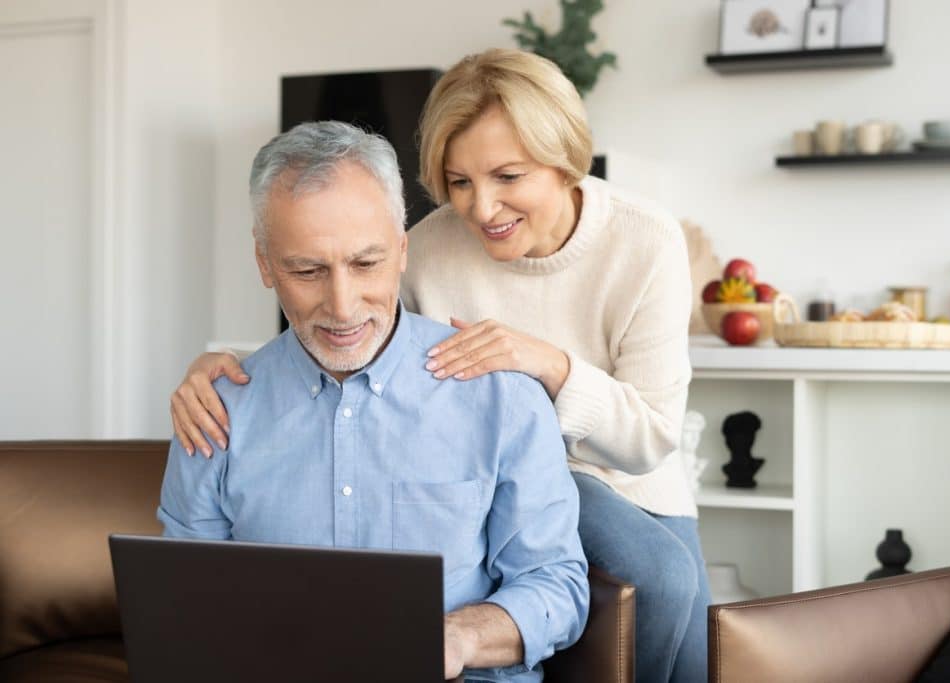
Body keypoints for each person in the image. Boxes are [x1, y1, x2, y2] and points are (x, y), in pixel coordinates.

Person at [171, 49, 710, 683]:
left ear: (563, 160)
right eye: (459, 182)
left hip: (620, 471)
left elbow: (650, 437)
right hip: (484, 456)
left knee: (671, 588)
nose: (482, 208)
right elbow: (344, 338)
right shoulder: (426, 246)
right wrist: (227, 367)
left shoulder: (645, 240)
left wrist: (546, 366)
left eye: (507, 176)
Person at [158, 120, 589, 683]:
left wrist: (458, 637)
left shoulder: (500, 396)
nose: (342, 306)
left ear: (403, 250)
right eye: (307, 270)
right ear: (265, 264)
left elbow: (557, 585)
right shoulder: (214, 413)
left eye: (366, 264)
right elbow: (185, 601)